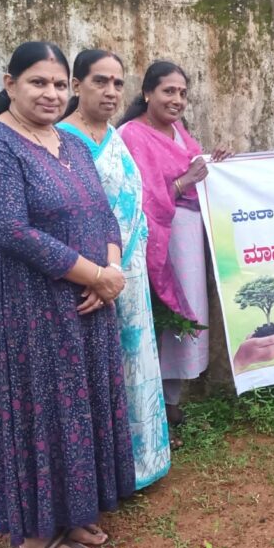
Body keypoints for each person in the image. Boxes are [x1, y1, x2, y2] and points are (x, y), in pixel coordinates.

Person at [0, 42, 135, 548]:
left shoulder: (70, 142)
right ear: (10, 84)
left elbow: (103, 212)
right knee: (43, 410)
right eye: (38, 82)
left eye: (58, 84)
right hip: (29, 308)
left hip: (87, 303)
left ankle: (72, 512)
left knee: (79, 408)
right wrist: (95, 275)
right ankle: (35, 534)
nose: (51, 93)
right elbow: (11, 230)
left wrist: (110, 271)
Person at [58, 49, 171, 489]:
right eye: (100, 81)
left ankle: (142, 459)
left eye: (118, 83)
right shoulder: (61, 140)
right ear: (77, 85)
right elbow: (66, 215)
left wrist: (125, 264)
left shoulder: (116, 136)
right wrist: (97, 273)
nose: (110, 91)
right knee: (96, 371)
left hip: (129, 273)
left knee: (134, 365)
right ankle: (102, 472)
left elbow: (132, 203)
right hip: (88, 278)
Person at [118, 62, 232, 431]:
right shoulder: (131, 135)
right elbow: (136, 197)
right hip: (157, 241)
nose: (177, 99)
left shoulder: (178, 131)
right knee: (157, 316)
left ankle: (170, 402)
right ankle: (145, 406)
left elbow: (194, 171)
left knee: (182, 318)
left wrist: (215, 163)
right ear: (147, 93)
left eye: (183, 93)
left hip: (187, 240)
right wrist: (185, 182)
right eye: (169, 91)